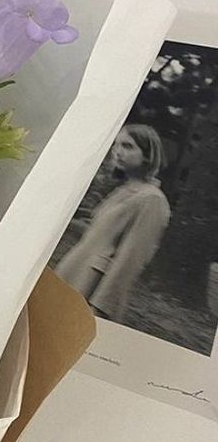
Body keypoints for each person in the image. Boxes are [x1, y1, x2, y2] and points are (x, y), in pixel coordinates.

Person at [56, 124, 171, 322]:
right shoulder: (123, 191)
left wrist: (100, 308)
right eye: (116, 145)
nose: (117, 151)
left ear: (148, 155)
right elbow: (99, 236)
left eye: (127, 146)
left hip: (88, 287)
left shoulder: (152, 200)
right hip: (72, 273)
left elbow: (130, 261)